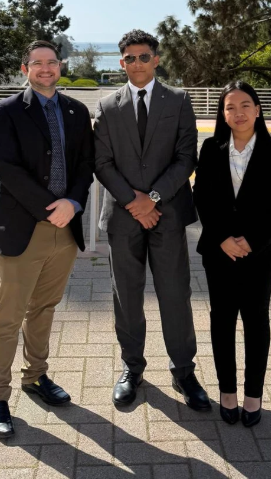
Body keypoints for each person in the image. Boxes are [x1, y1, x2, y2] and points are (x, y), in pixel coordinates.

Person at [0, 41, 95, 440]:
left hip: (66, 229)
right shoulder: (8, 110)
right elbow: (7, 168)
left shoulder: (76, 111)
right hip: (21, 228)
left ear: (60, 66)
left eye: (52, 63)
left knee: (44, 308)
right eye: (37, 63)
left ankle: (36, 376)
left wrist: (74, 202)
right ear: (25, 68)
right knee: (7, 316)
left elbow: (85, 164)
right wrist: (52, 207)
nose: (46, 69)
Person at [94, 29, 209, 410]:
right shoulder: (107, 106)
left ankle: (183, 371)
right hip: (124, 217)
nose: (137, 63)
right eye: (130, 57)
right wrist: (134, 202)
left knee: (175, 294)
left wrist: (153, 198)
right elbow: (102, 163)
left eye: (144, 56)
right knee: (126, 297)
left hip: (168, 214)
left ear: (156, 60)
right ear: (121, 62)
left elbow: (186, 157)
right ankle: (132, 368)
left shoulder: (178, 100)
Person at [192, 80, 271, 427]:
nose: (238, 113)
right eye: (230, 107)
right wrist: (222, 238)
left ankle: (253, 395)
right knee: (222, 320)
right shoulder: (211, 148)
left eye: (245, 105)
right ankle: (227, 393)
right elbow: (202, 197)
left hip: (259, 253)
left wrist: (252, 241)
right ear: (223, 114)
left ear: (258, 110)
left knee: (256, 321)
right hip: (218, 252)